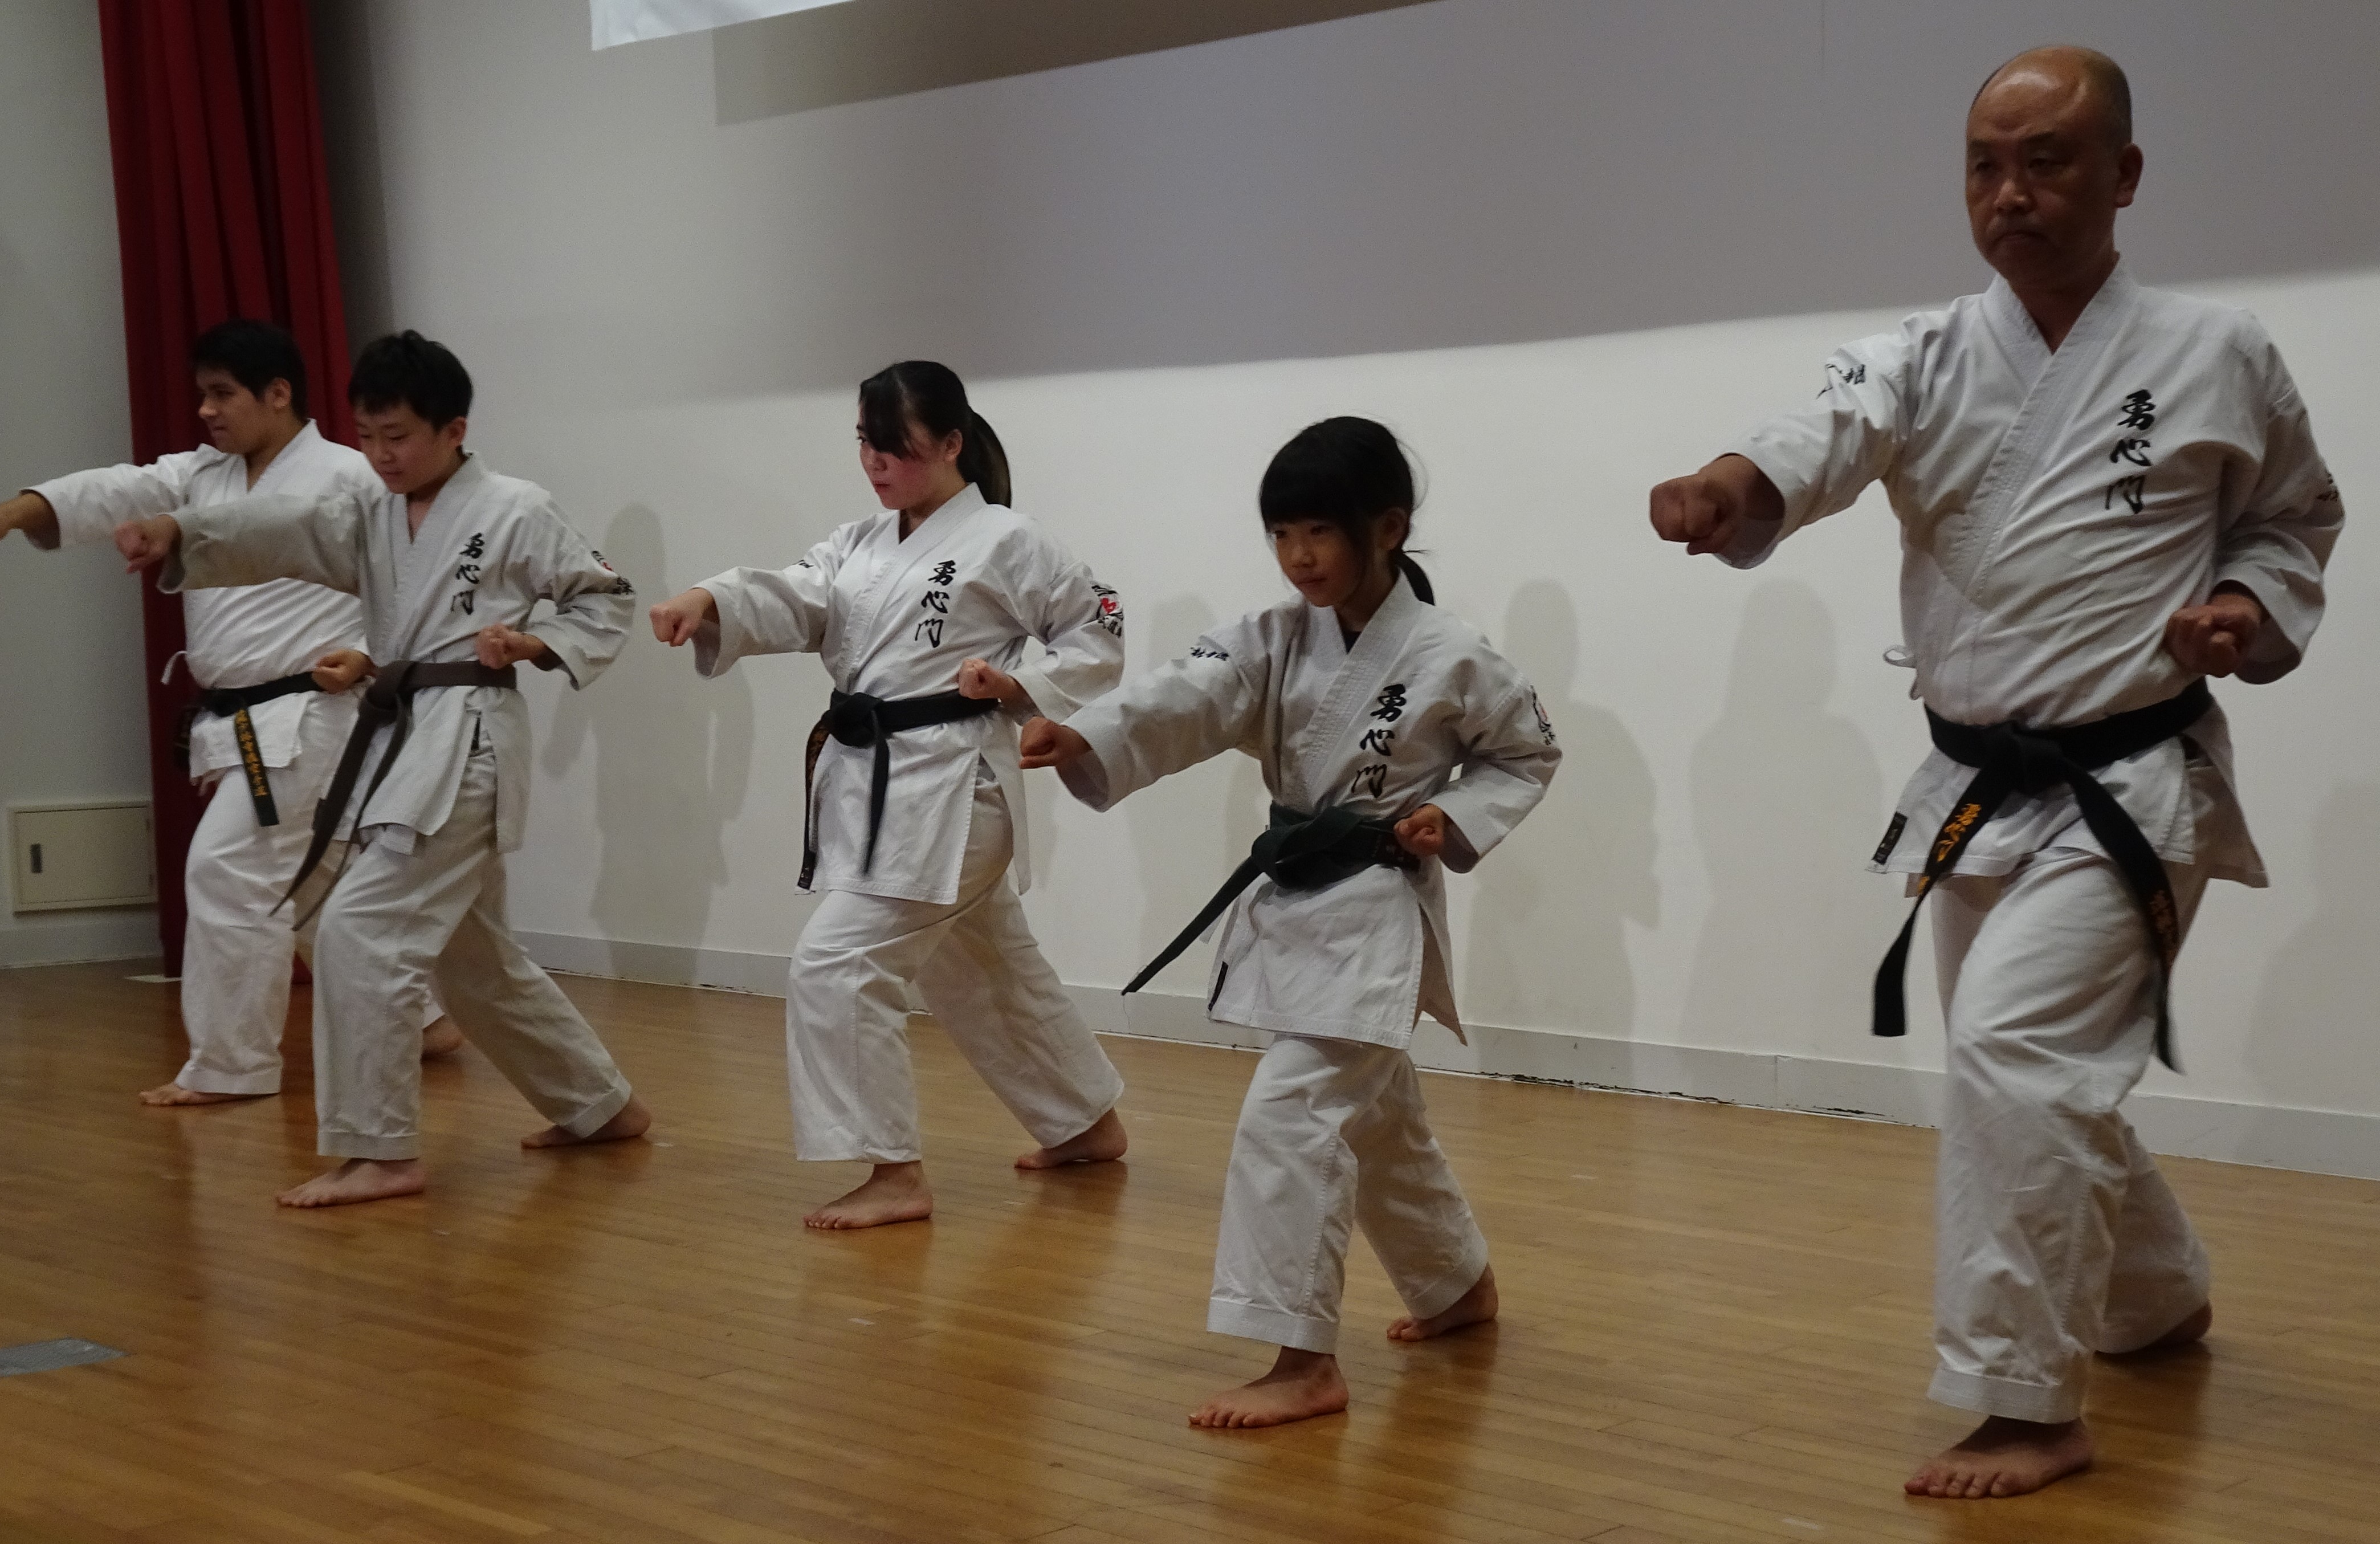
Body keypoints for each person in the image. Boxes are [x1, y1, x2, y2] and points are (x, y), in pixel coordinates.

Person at [1649, 47, 2342, 1499]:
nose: (2008, 193)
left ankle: (2025, 1401)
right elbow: (1814, 433)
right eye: (1982, 164)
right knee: (2028, 1068)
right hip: (1974, 790)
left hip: (2131, 783)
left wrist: (2245, 608)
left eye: (2044, 162)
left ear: (2123, 176)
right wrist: (1729, 486)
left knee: (2015, 1052)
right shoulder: (1918, 353)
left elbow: (2289, 521)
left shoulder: (2217, 351)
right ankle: (2152, 1293)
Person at [1023, 417, 1560, 1428]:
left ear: (1387, 528)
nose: (1299, 556)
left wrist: (1456, 816)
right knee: (1379, 1120)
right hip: (1300, 898)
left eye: (1320, 531)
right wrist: (1087, 732)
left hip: (1376, 907)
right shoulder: (1273, 636)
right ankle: (1454, 1282)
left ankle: (1303, 1359)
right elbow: (1189, 692)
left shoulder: (1451, 653)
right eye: (1281, 534)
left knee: (1293, 1112)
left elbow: (1526, 752)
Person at [115, 330, 653, 1207]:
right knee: (472, 959)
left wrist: (536, 642)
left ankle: (383, 1149)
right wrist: (181, 529)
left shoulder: (515, 507)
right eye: (367, 436)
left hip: (466, 741)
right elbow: (283, 530)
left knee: (358, 931)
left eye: (397, 436)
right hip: (401, 735)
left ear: (454, 429)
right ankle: (600, 1105)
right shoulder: (372, 511)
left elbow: (605, 594)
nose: (381, 455)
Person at [650, 361, 1128, 1231]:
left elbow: (1099, 625)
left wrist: (1018, 685)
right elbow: (796, 597)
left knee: (835, 964)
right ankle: (1084, 1120)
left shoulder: (1008, 539)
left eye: (896, 446)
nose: (876, 462)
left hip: (953, 790)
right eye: (866, 443)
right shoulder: (861, 543)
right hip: (884, 782)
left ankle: (895, 1171)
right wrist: (710, 598)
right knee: (980, 963)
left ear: (950, 444)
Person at [0, 319, 458, 1107]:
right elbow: (114, 489)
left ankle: (232, 1065)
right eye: (203, 395)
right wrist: (16, 512)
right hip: (240, 723)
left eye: (223, 394)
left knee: (229, 872)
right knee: (313, 889)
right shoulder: (200, 476)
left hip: (314, 712)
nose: (207, 411)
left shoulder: (349, 477)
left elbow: (414, 585)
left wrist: (366, 653)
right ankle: (420, 1017)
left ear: (278, 393)